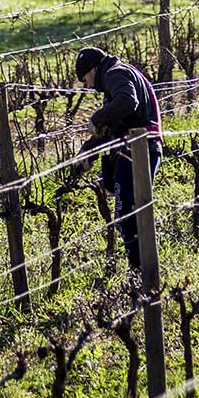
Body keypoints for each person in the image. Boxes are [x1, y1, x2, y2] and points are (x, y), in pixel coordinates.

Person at [72, 46, 163, 270]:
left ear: (94, 69)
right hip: (142, 147)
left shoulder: (115, 73)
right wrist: (88, 152)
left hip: (137, 149)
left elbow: (127, 102)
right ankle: (142, 267)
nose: (90, 86)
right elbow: (117, 125)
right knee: (133, 209)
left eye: (87, 79)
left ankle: (138, 270)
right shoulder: (122, 72)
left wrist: (97, 118)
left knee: (125, 211)